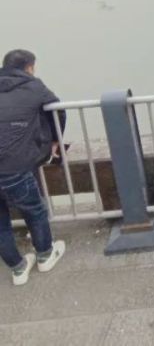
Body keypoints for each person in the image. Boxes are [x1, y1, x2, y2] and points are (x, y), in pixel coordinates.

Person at [0, 50, 67, 285]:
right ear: (29, 68)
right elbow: (57, 110)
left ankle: (18, 270)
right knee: (34, 211)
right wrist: (55, 140)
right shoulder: (33, 86)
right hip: (14, 166)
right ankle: (45, 255)